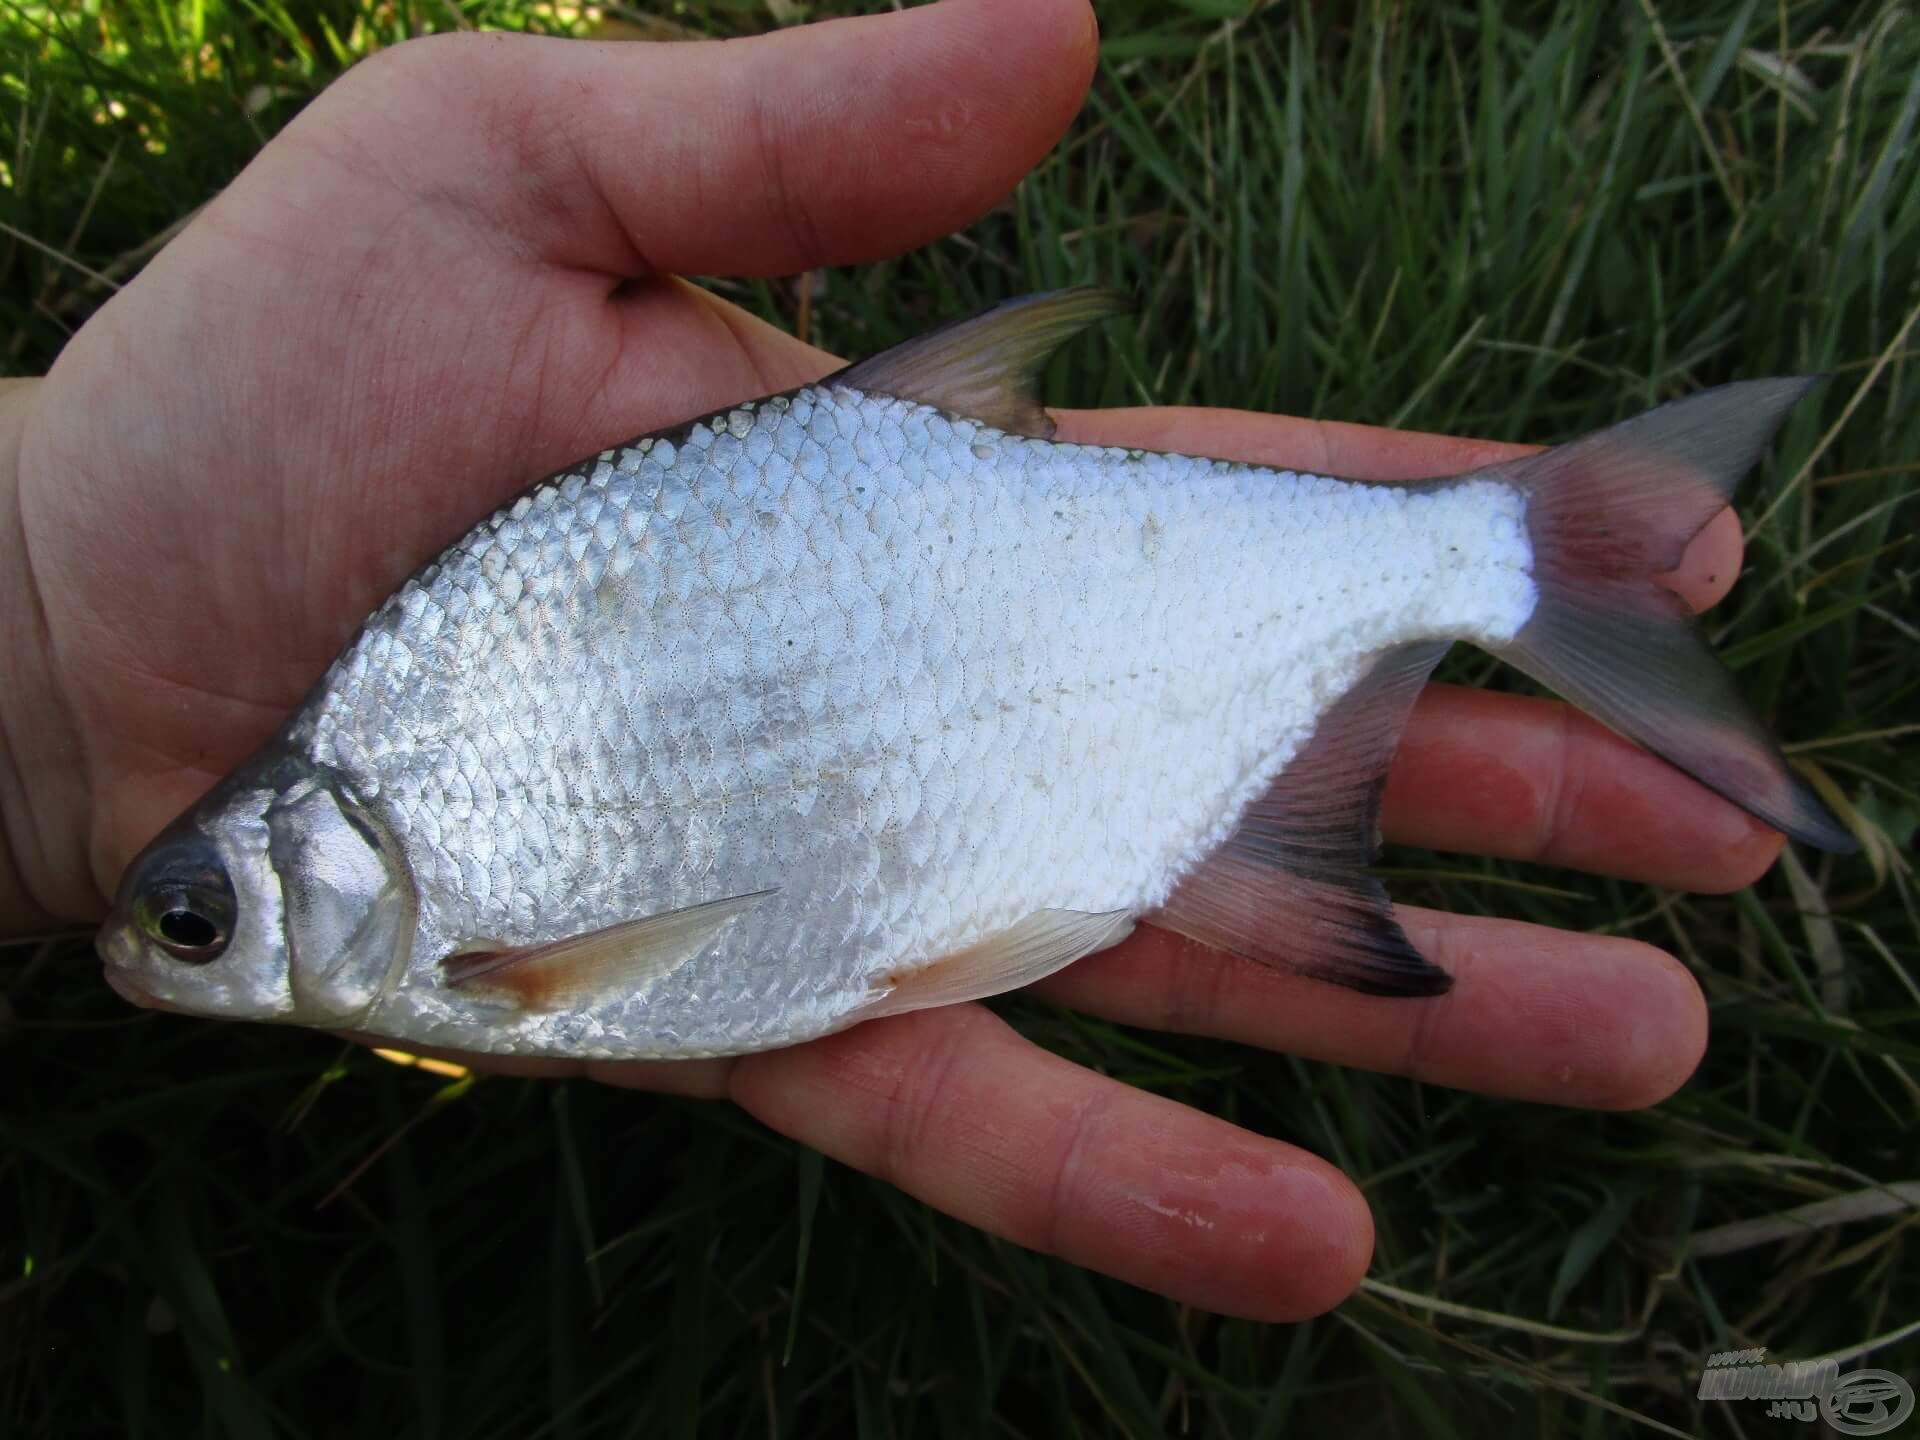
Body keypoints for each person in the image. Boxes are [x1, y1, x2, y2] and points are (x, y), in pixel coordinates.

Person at [0, 0, 1785, 1321]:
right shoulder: (401, 760)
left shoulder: (421, 824)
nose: (169, 952)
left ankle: (1509, 549)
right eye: (192, 922)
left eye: (199, 924)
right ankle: (1501, 555)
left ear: (315, 870)